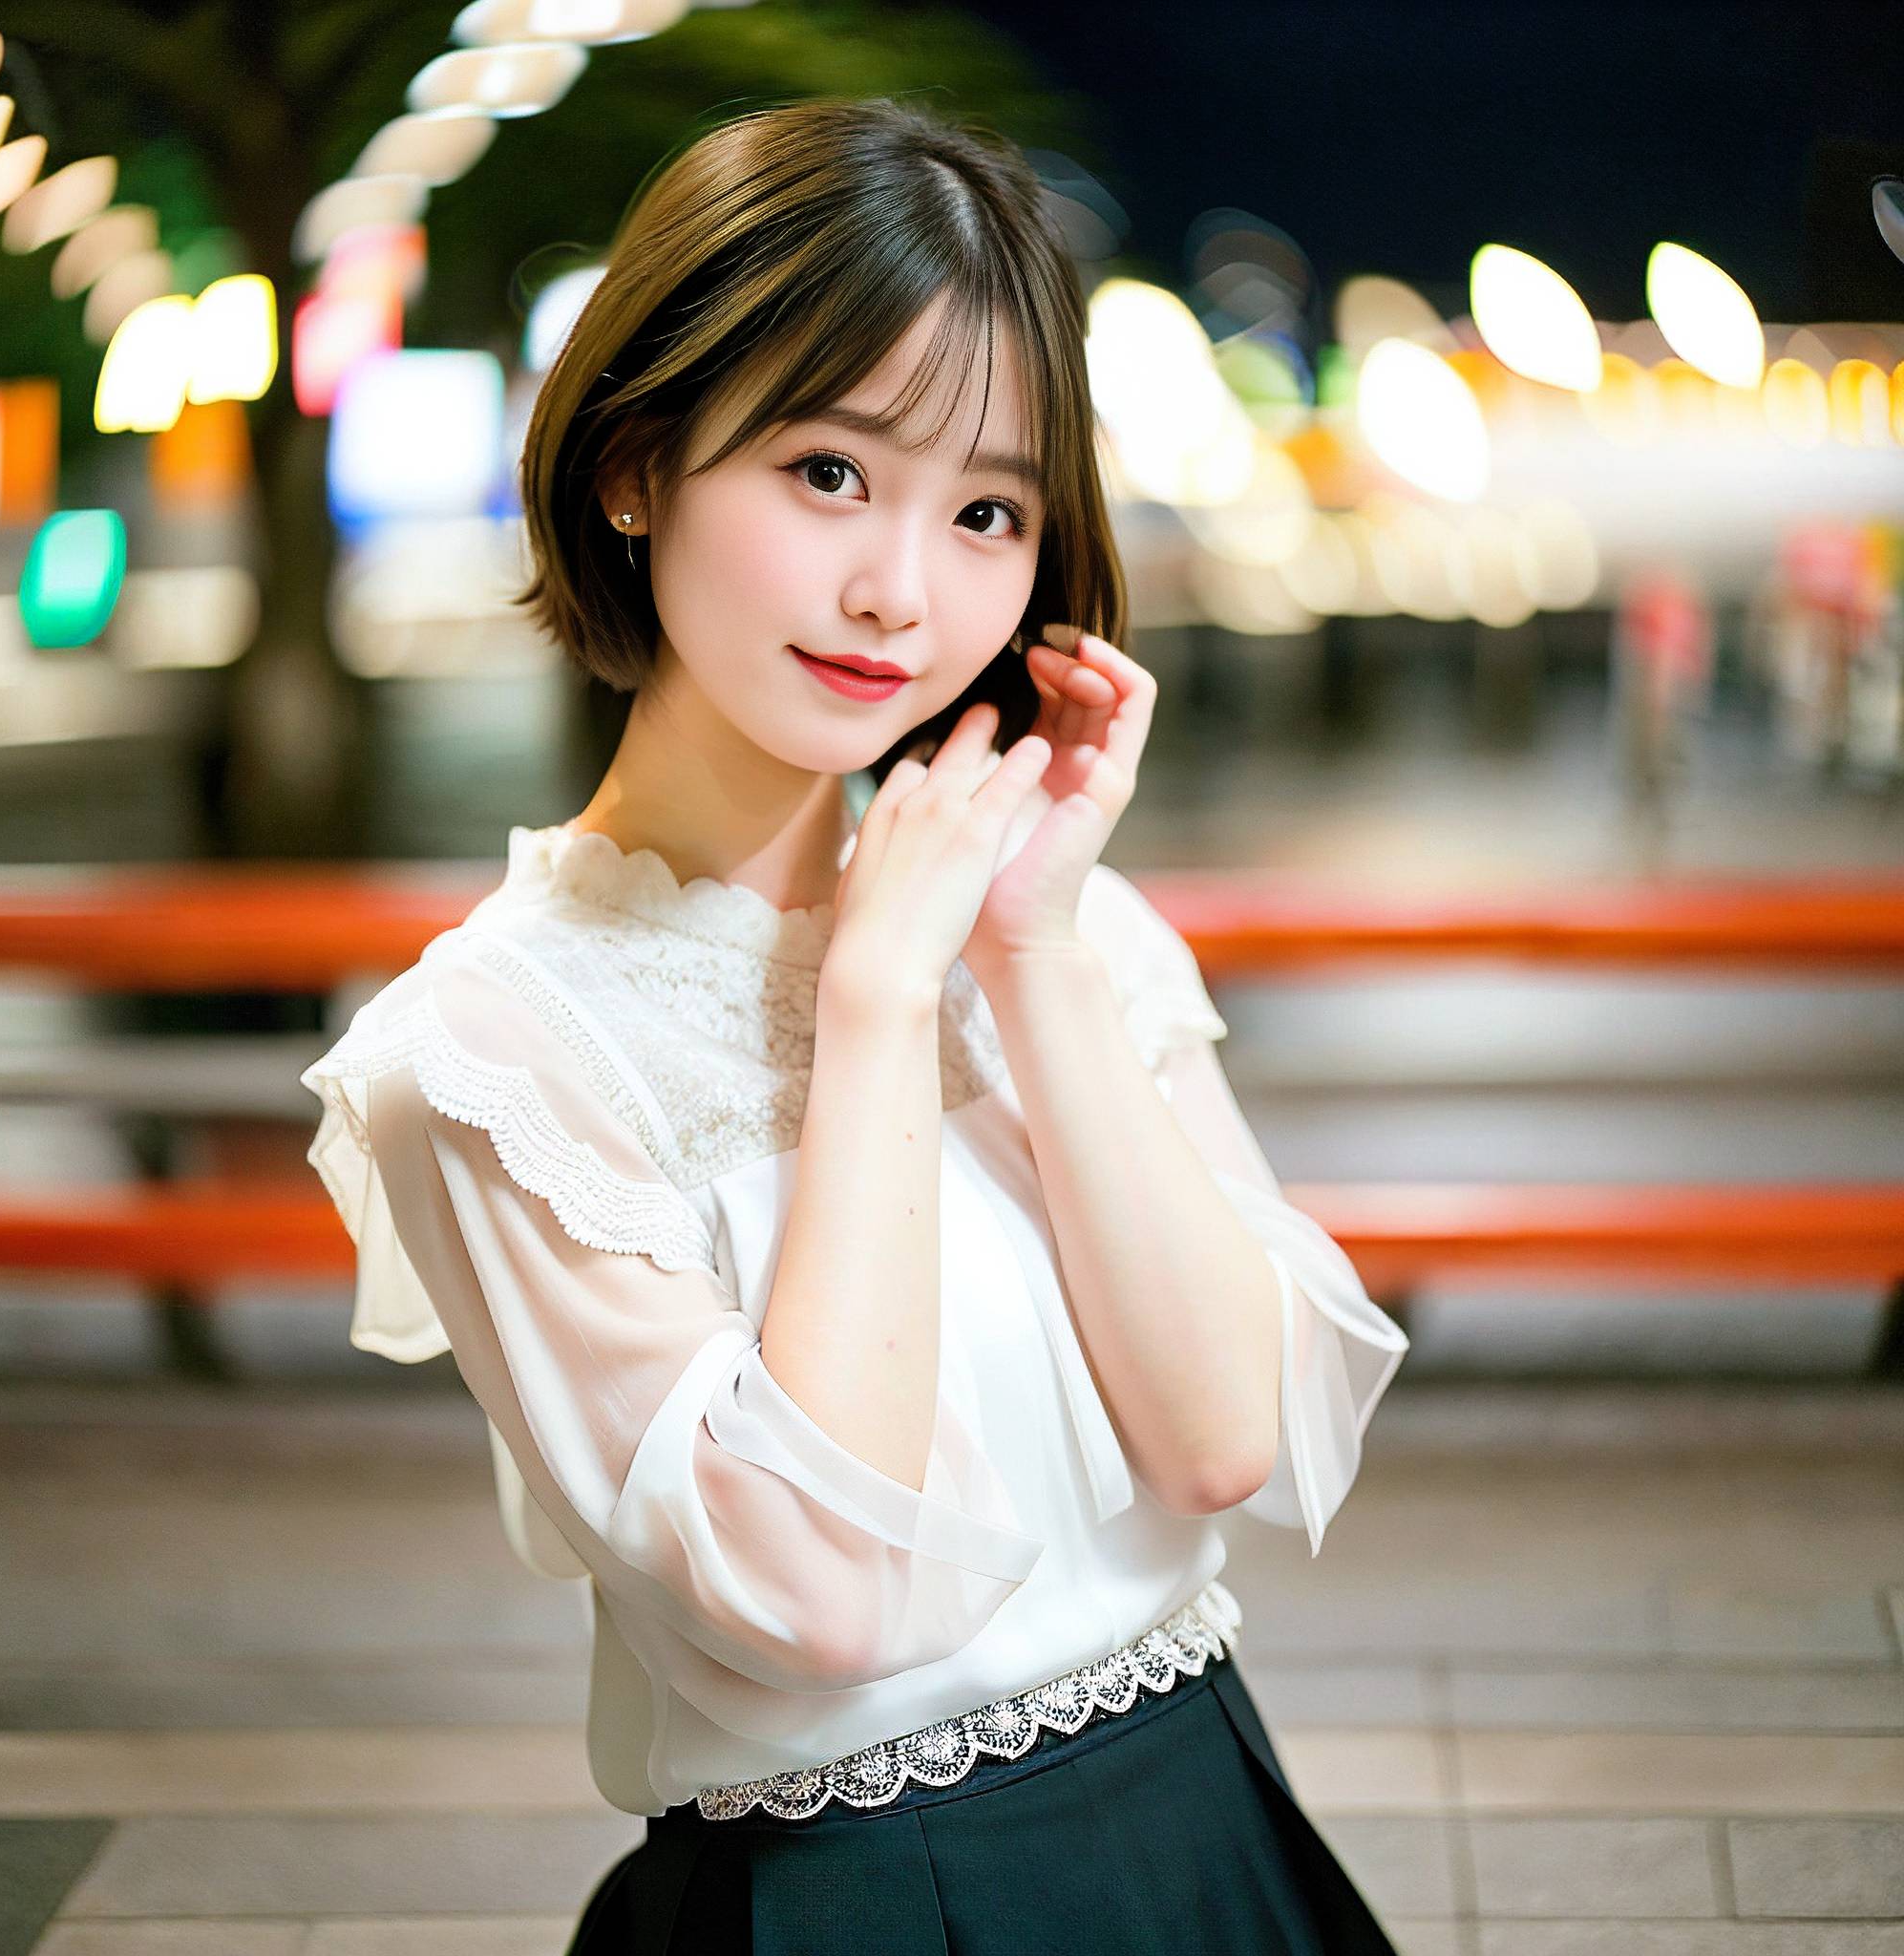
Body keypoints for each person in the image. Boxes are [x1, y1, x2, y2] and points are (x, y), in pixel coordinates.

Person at [300, 94, 1410, 1955]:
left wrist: (1027, 947)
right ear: (635, 462)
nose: (902, 589)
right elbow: (817, 1593)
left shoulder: (1062, 928)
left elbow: (1224, 1438)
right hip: (857, 1902)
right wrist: (880, 1000)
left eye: (985, 511)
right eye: (828, 471)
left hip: (1206, 1820)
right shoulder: (493, 1052)